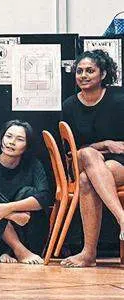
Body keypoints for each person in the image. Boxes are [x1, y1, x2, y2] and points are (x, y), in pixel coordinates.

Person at [59, 49, 124, 268]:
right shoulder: (69, 105)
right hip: (81, 160)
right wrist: (104, 144)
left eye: (90, 71)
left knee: (88, 180)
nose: (83, 75)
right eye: (79, 71)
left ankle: (88, 254)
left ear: (103, 74)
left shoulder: (119, 99)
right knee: (88, 154)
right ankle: (122, 218)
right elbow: (71, 151)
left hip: (118, 163)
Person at [0, 120, 52, 265]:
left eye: (19, 139)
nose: (12, 142)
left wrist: (8, 208)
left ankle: (14, 250)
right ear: (1, 139)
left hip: (28, 237)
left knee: (29, 192)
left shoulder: (34, 165)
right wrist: (13, 216)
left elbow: (44, 197)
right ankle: (17, 250)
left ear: (27, 146)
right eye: (8, 136)